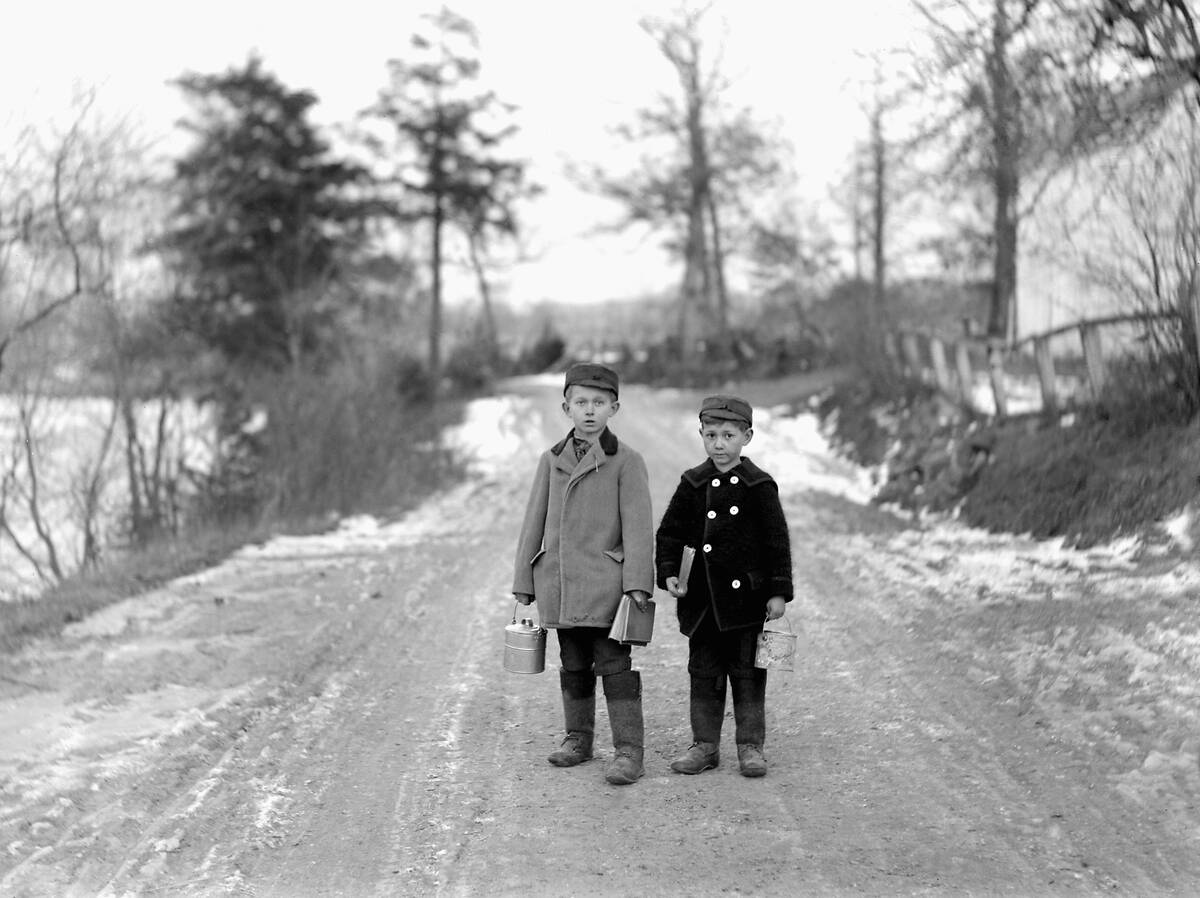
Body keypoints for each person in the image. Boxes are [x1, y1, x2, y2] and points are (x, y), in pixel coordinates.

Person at [511, 362, 655, 786]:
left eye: (598, 403)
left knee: (614, 664)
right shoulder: (551, 460)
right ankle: (579, 738)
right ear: (565, 407)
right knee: (572, 661)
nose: (589, 411)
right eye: (580, 403)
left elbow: (639, 529)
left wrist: (637, 585)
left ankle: (630, 750)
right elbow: (532, 521)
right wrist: (524, 581)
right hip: (560, 582)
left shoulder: (626, 462)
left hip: (606, 586)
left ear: (614, 407)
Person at [655, 395, 793, 778]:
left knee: (748, 674)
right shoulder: (692, 484)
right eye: (711, 434)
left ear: (747, 436)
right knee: (704, 673)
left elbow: (776, 542)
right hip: (702, 603)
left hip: (746, 603)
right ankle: (704, 745)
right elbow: (669, 534)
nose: (719, 444)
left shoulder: (759, 486)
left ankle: (750, 745)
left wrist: (778, 591)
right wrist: (668, 572)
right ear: (700, 434)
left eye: (728, 435)